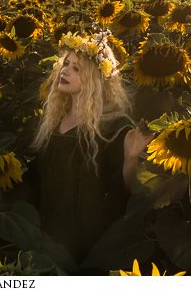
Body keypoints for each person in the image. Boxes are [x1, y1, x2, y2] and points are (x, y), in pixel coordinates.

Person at [29, 31, 152, 271]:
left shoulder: (113, 127)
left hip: (91, 238)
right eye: (66, 64)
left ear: (94, 79)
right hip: (49, 232)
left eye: (77, 69)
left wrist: (130, 158)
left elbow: (125, 191)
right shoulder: (53, 122)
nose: (65, 71)